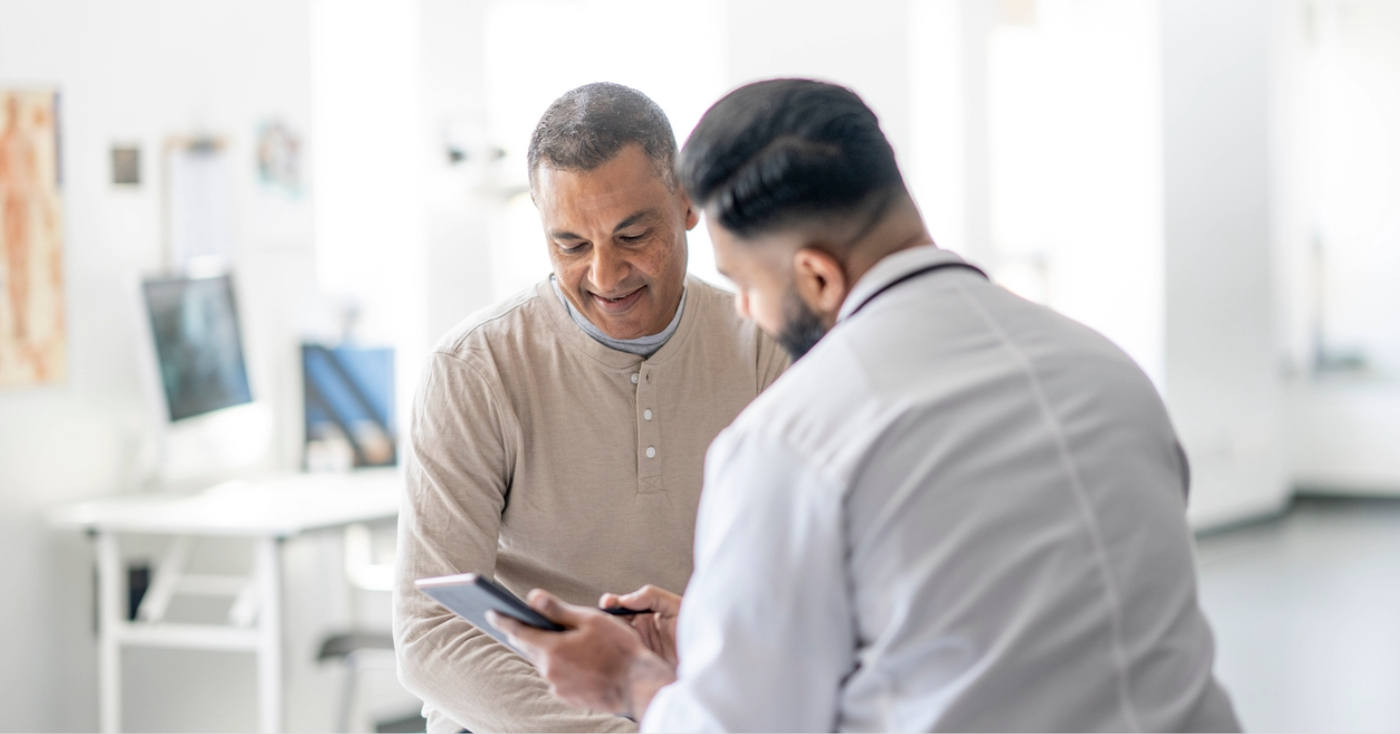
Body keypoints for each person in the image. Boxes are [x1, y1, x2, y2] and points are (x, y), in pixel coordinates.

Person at [490, 79, 1242, 732]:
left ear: (816, 276)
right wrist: (732, 632)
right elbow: (1012, 627)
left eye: (746, 284)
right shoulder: (1107, 371)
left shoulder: (794, 440)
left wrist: (628, 680)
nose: (745, 313)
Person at [393, 82, 789, 733]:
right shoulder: (472, 372)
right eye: (571, 245)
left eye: (634, 235)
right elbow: (430, 635)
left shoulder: (764, 349)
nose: (606, 276)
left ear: (686, 201)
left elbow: (800, 588)